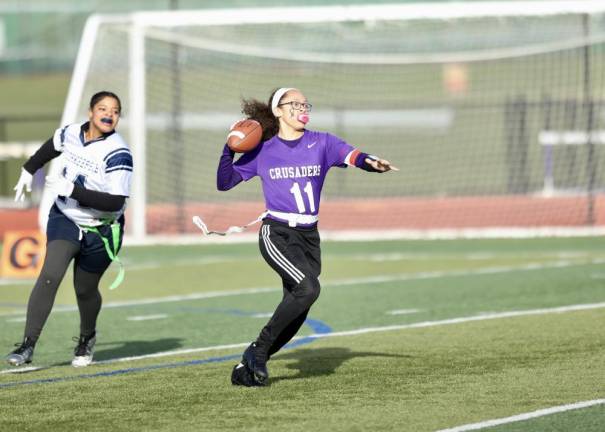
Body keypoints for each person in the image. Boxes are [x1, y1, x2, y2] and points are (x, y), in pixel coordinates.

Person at [217, 87, 397, 386]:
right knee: (308, 289)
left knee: (299, 305)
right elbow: (225, 183)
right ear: (278, 110)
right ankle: (259, 351)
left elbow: (355, 156)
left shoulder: (322, 142)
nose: (303, 107)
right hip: (277, 234)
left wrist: (374, 164)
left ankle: (247, 365)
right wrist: (229, 148)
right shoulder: (263, 149)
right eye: (295, 103)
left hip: (309, 237)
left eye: (305, 103)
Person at [6, 91, 132, 368]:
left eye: (115, 111)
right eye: (102, 108)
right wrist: (29, 168)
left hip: (101, 229)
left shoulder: (118, 152)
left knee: (85, 289)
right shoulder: (73, 133)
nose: (109, 114)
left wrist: (73, 189)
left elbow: (115, 202)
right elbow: (53, 145)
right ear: (90, 112)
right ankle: (27, 345)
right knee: (50, 274)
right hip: (65, 217)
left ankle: (87, 337)